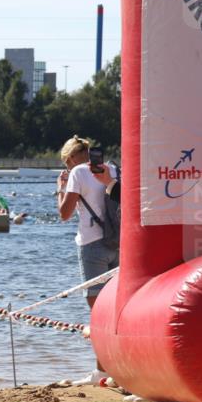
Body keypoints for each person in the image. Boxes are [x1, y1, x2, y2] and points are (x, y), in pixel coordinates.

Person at [56, 135, 119, 385]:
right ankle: (119, 369)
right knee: (114, 310)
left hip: (92, 245)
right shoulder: (112, 167)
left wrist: (60, 187)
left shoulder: (77, 173)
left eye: (66, 164)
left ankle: (102, 372)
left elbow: (64, 213)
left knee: (98, 314)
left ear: (70, 158)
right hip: (117, 243)